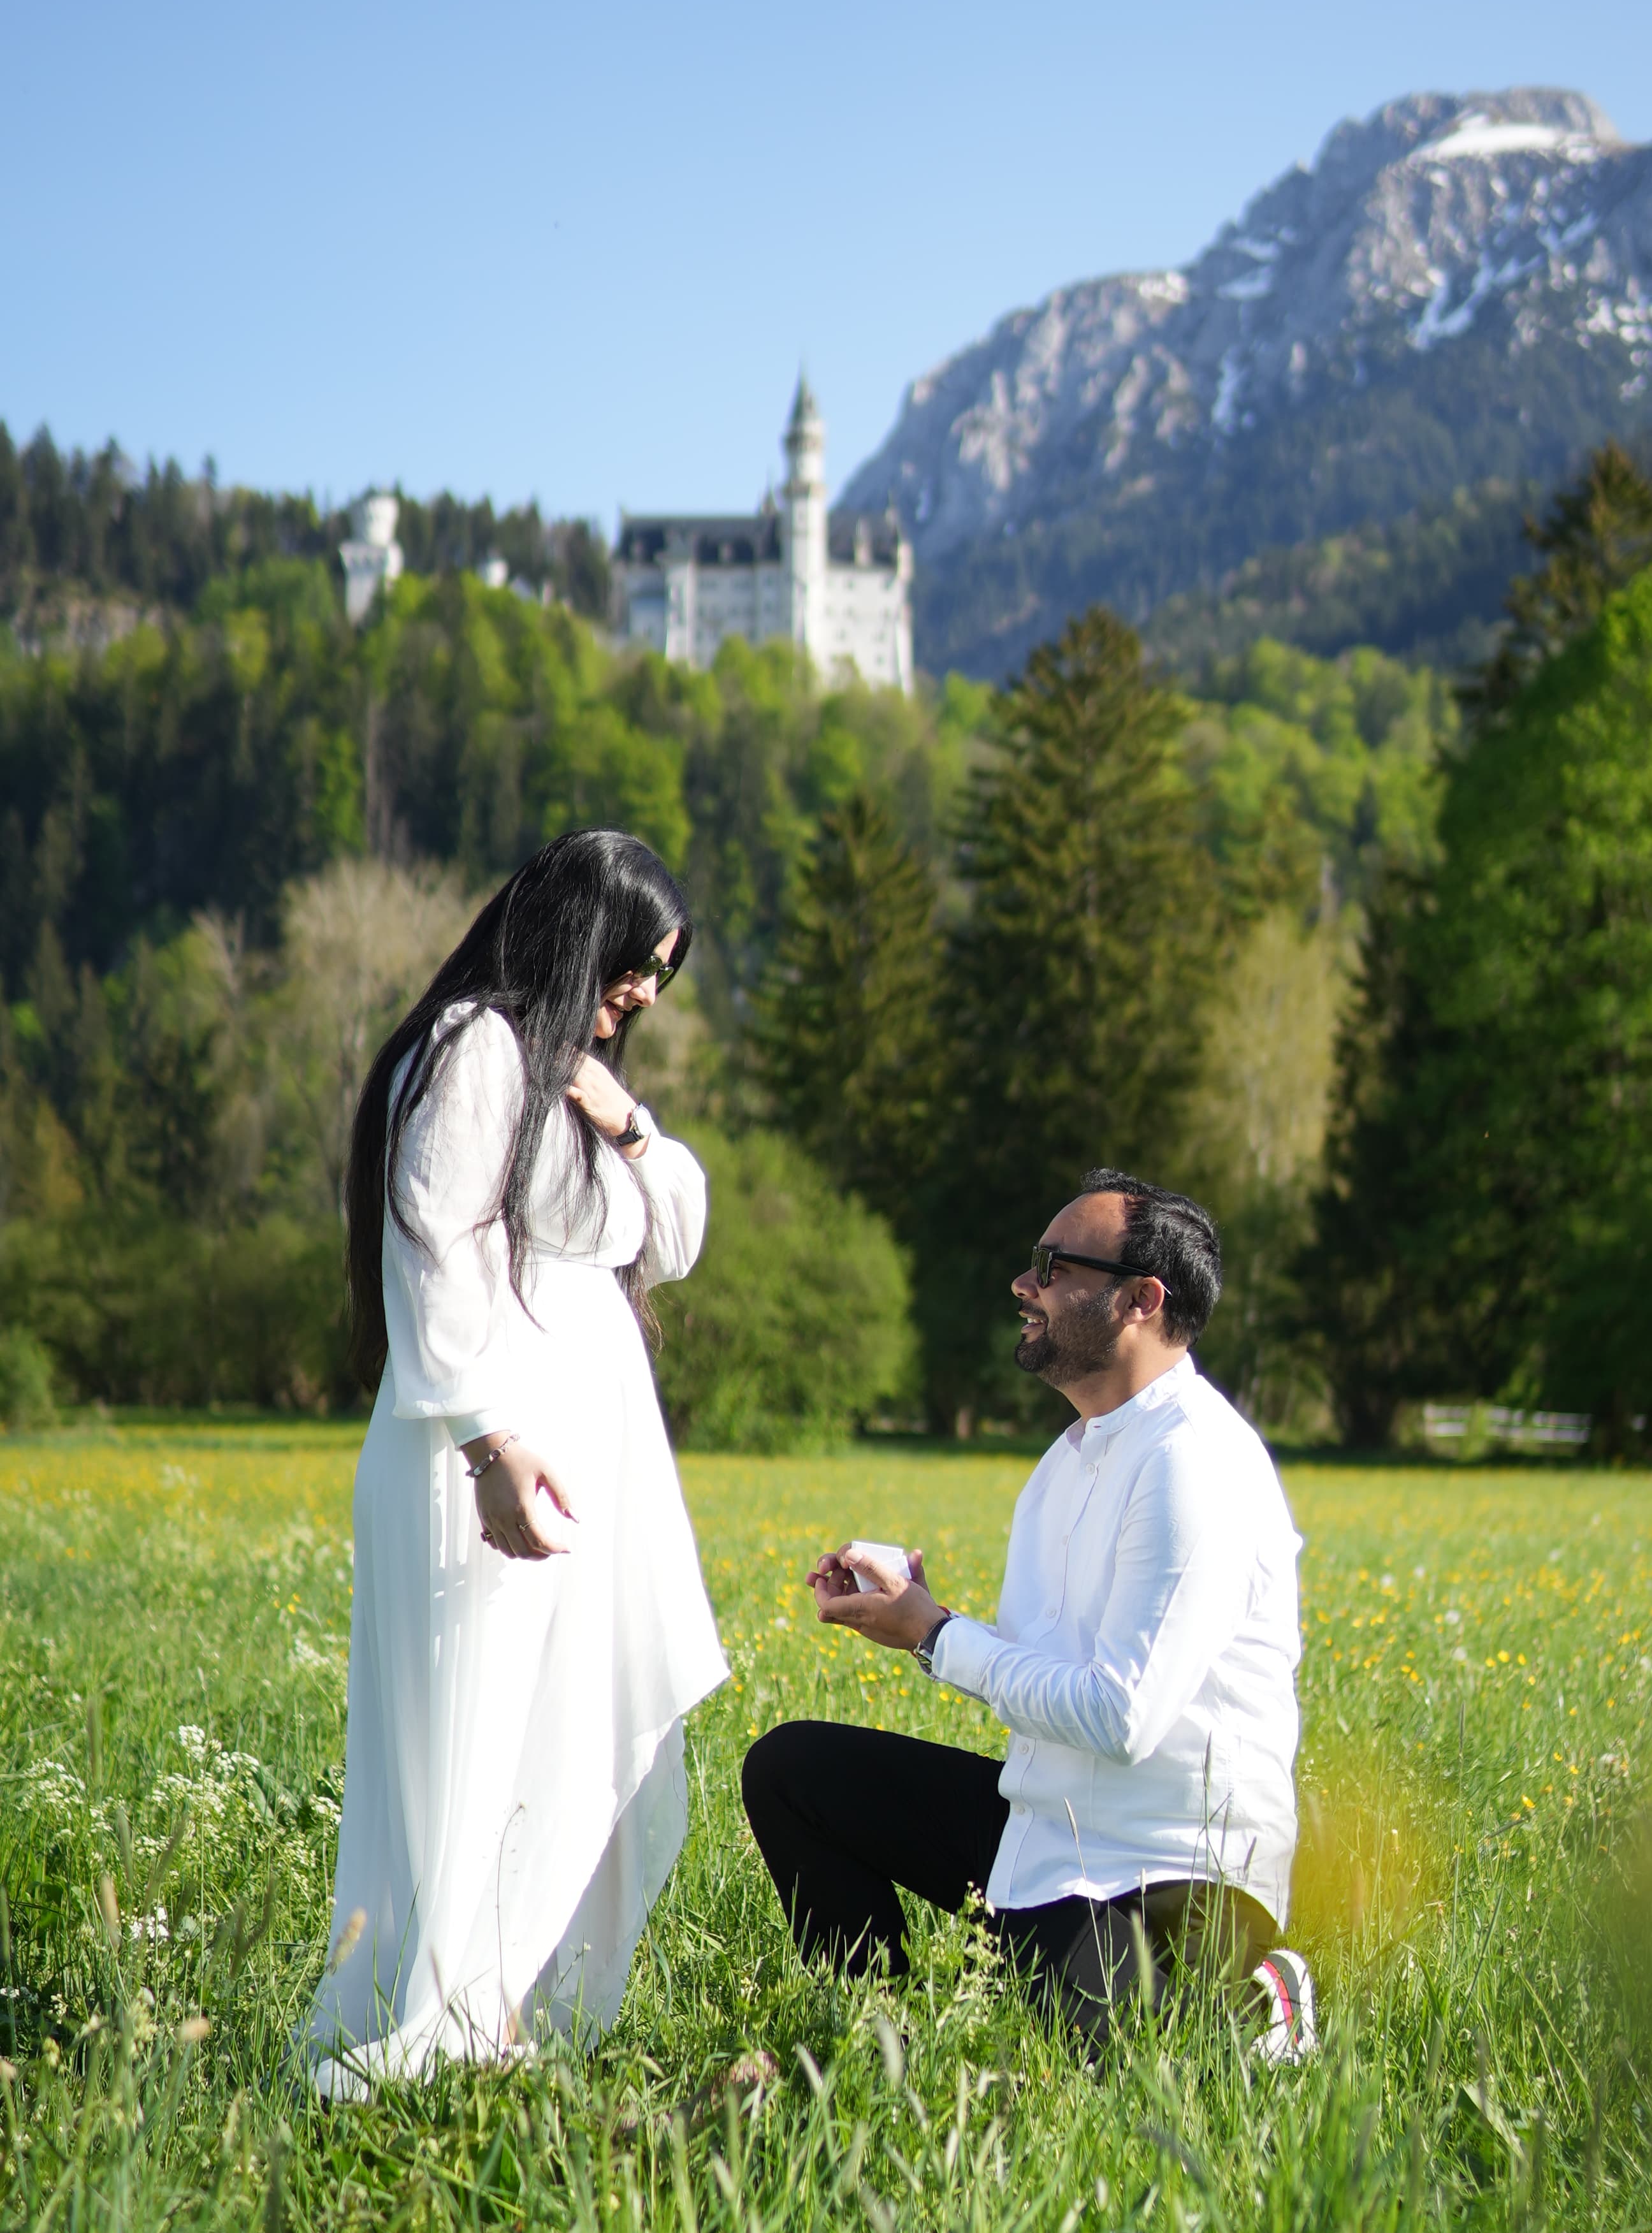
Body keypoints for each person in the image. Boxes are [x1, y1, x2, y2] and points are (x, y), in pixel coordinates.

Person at [306, 828, 727, 2092]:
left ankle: (500, 2025)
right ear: (574, 932)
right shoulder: (474, 1049)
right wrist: (492, 1445)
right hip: (480, 1460)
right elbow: (431, 1245)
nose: (645, 993)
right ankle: (416, 2044)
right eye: (637, 962)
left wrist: (632, 1123)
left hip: (566, 1467)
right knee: (471, 1750)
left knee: (565, 1740)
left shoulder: (570, 1075)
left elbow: (683, 1230)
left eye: (662, 974)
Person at [742, 1172, 1315, 2060]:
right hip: (1044, 1828)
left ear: (1140, 1299)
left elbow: (1120, 1718)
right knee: (793, 1770)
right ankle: (869, 2051)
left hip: (1167, 1866)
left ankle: (1252, 1994)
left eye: (1052, 1267)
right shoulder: (1068, 1462)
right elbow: (1050, 1675)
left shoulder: (1193, 1464)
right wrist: (919, 1614)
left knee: (1076, 2068)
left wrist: (937, 1636)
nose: (1025, 1285)